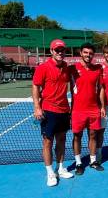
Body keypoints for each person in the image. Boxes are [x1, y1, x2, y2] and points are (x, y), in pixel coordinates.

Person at [32, 39, 73, 187]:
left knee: (61, 140)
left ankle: (60, 168)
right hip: (48, 110)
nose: (60, 53)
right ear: (51, 51)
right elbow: (36, 87)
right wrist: (37, 107)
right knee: (48, 142)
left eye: (62, 50)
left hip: (64, 110)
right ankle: (50, 173)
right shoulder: (43, 68)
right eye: (57, 50)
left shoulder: (67, 68)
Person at [69, 42, 105, 175]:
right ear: (80, 53)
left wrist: (101, 107)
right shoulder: (72, 68)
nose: (88, 55)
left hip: (94, 109)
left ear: (93, 55)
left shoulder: (98, 69)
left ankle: (93, 160)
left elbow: (101, 89)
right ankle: (78, 163)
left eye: (90, 53)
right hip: (77, 110)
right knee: (77, 136)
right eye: (85, 52)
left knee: (93, 135)